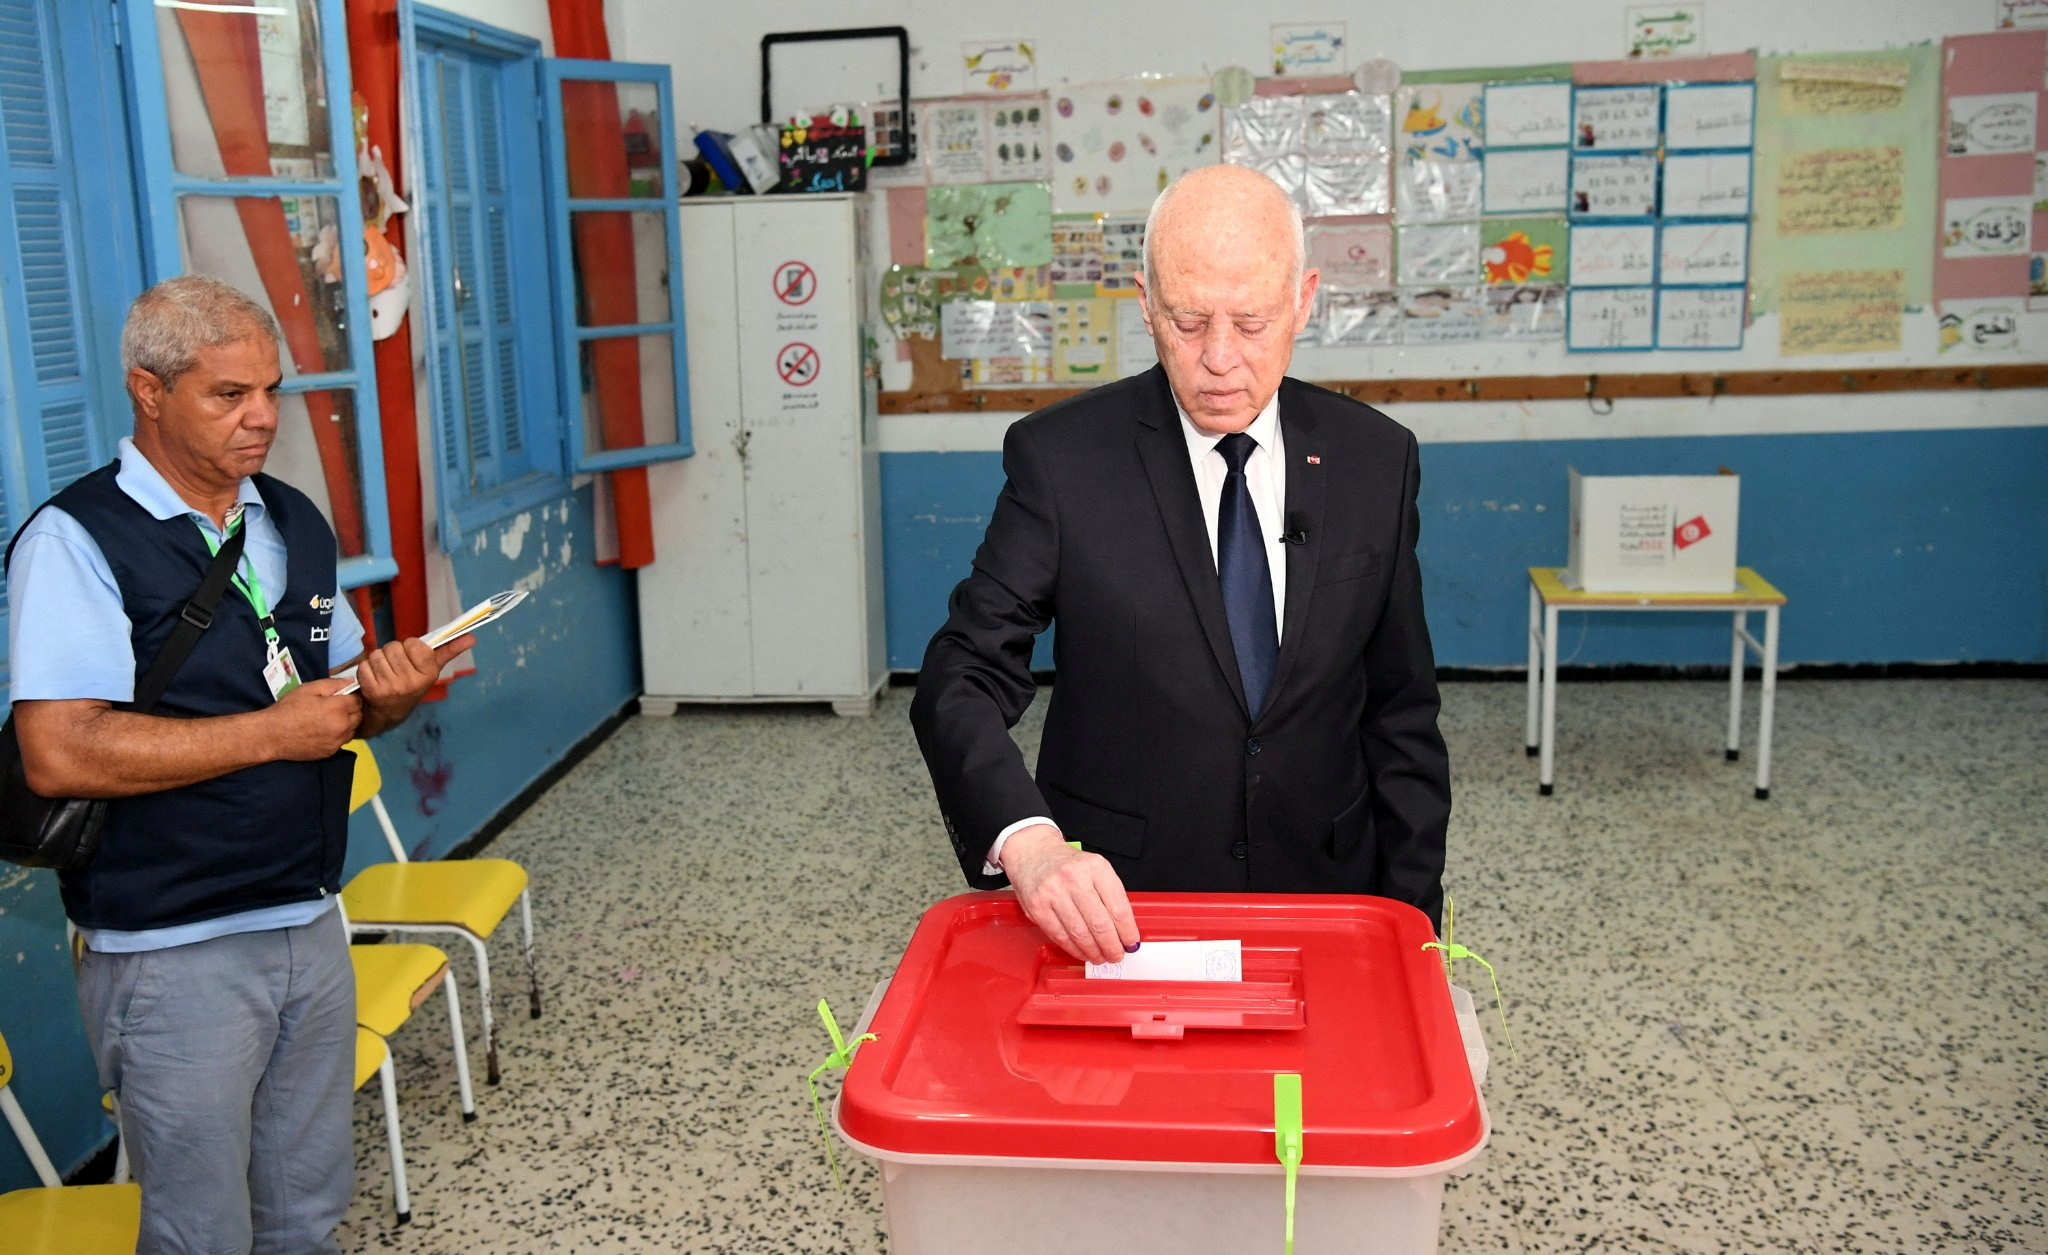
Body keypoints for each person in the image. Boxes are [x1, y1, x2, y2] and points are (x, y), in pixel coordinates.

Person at [6, 276, 473, 1254]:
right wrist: (273, 732)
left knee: (303, 1213)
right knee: (199, 1231)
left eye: (272, 389)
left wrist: (387, 688)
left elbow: (331, 697)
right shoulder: (77, 541)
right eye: (228, 395)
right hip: (170, 948)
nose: (261, 416)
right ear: (149, 390)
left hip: (307, 918)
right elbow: (58, 751)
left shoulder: (292, 520)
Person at [911, 164, 1451, 966]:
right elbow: (961, 673)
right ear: (1146, 303)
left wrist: (1417, 936)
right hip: (1123, 907)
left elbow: (1401, 716)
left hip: (1327, 895)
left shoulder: (1376, 460)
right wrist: (1030, 844)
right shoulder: (1063, 461)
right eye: (1189, 321)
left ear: (1304, 300)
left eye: (1253, 320)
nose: (1220, 360)